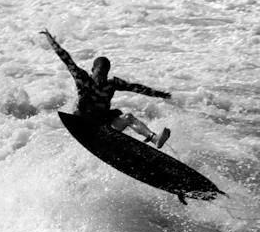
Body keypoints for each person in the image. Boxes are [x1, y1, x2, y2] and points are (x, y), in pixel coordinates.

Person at [42, 30, 172, 149]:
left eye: (104, 74)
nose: (101, 78)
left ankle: (155, 139)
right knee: (78, 107)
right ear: (92, 70)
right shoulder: (83, 79)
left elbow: (136, 88)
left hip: (105, 127)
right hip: (84, 124)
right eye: (99, 74)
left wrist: (160, 94)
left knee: (128, 117)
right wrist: (52, 41)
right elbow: (66, 59)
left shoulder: (111, 84)